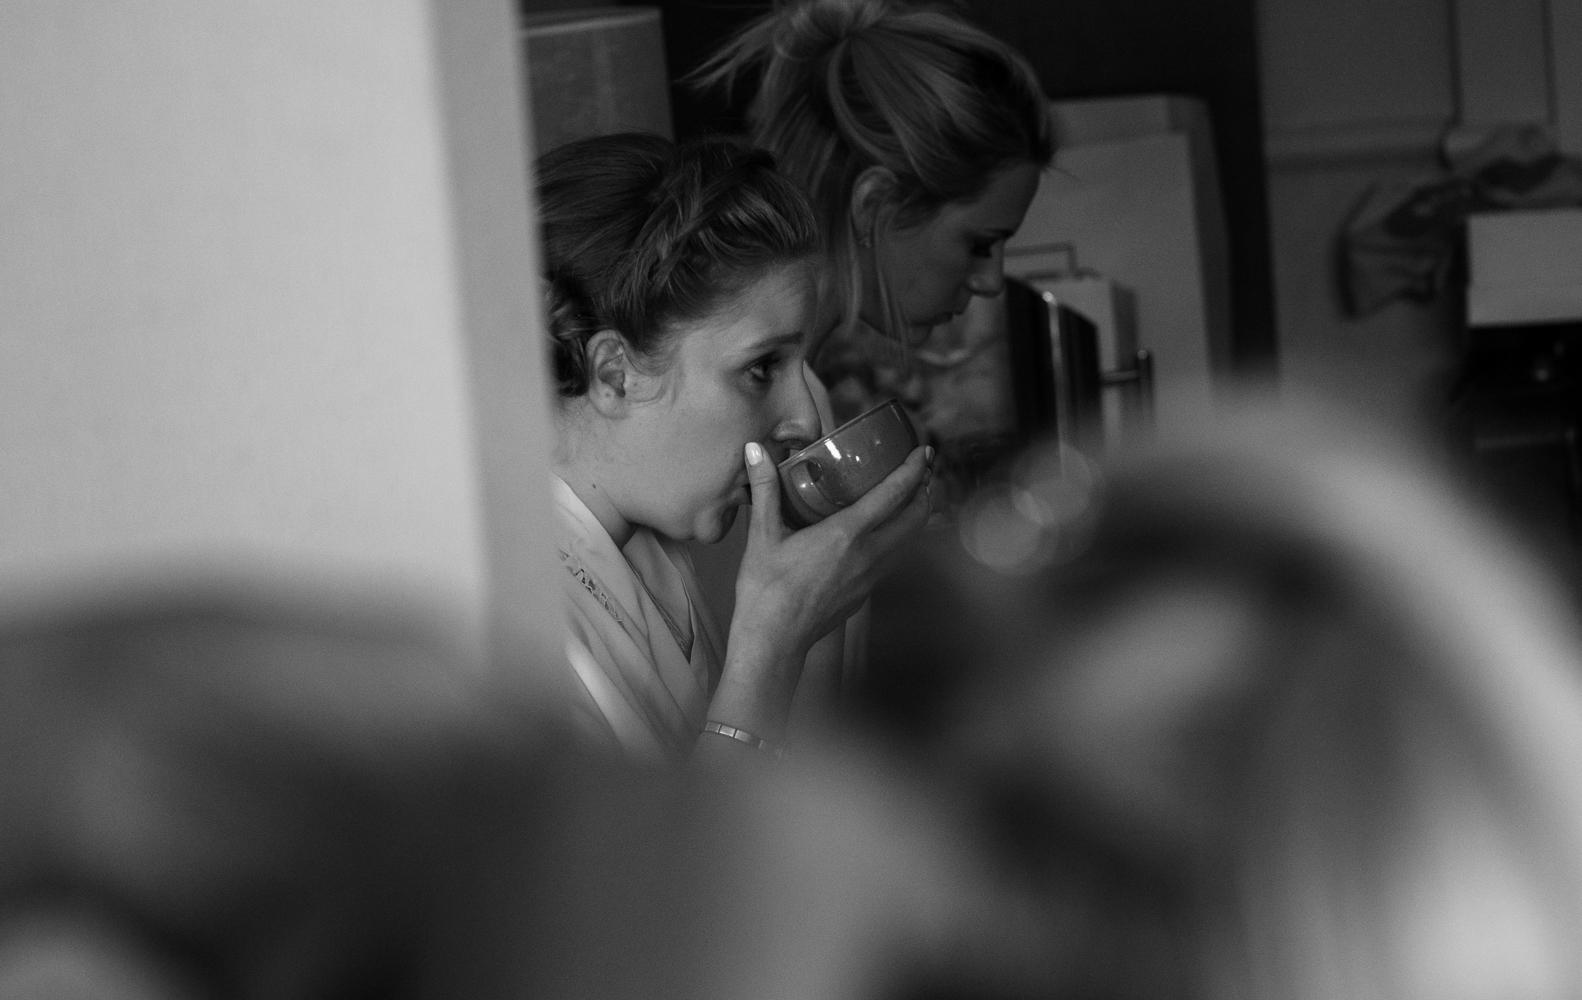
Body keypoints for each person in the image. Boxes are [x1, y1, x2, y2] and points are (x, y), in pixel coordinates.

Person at [538, 132, 932, 766]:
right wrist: (772, 646)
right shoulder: (515, 619)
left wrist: (812, 616)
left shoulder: (655, 552)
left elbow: (793, 810)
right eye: (761, 367)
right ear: (614, 374)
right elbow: (692, 867)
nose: (804, 418)